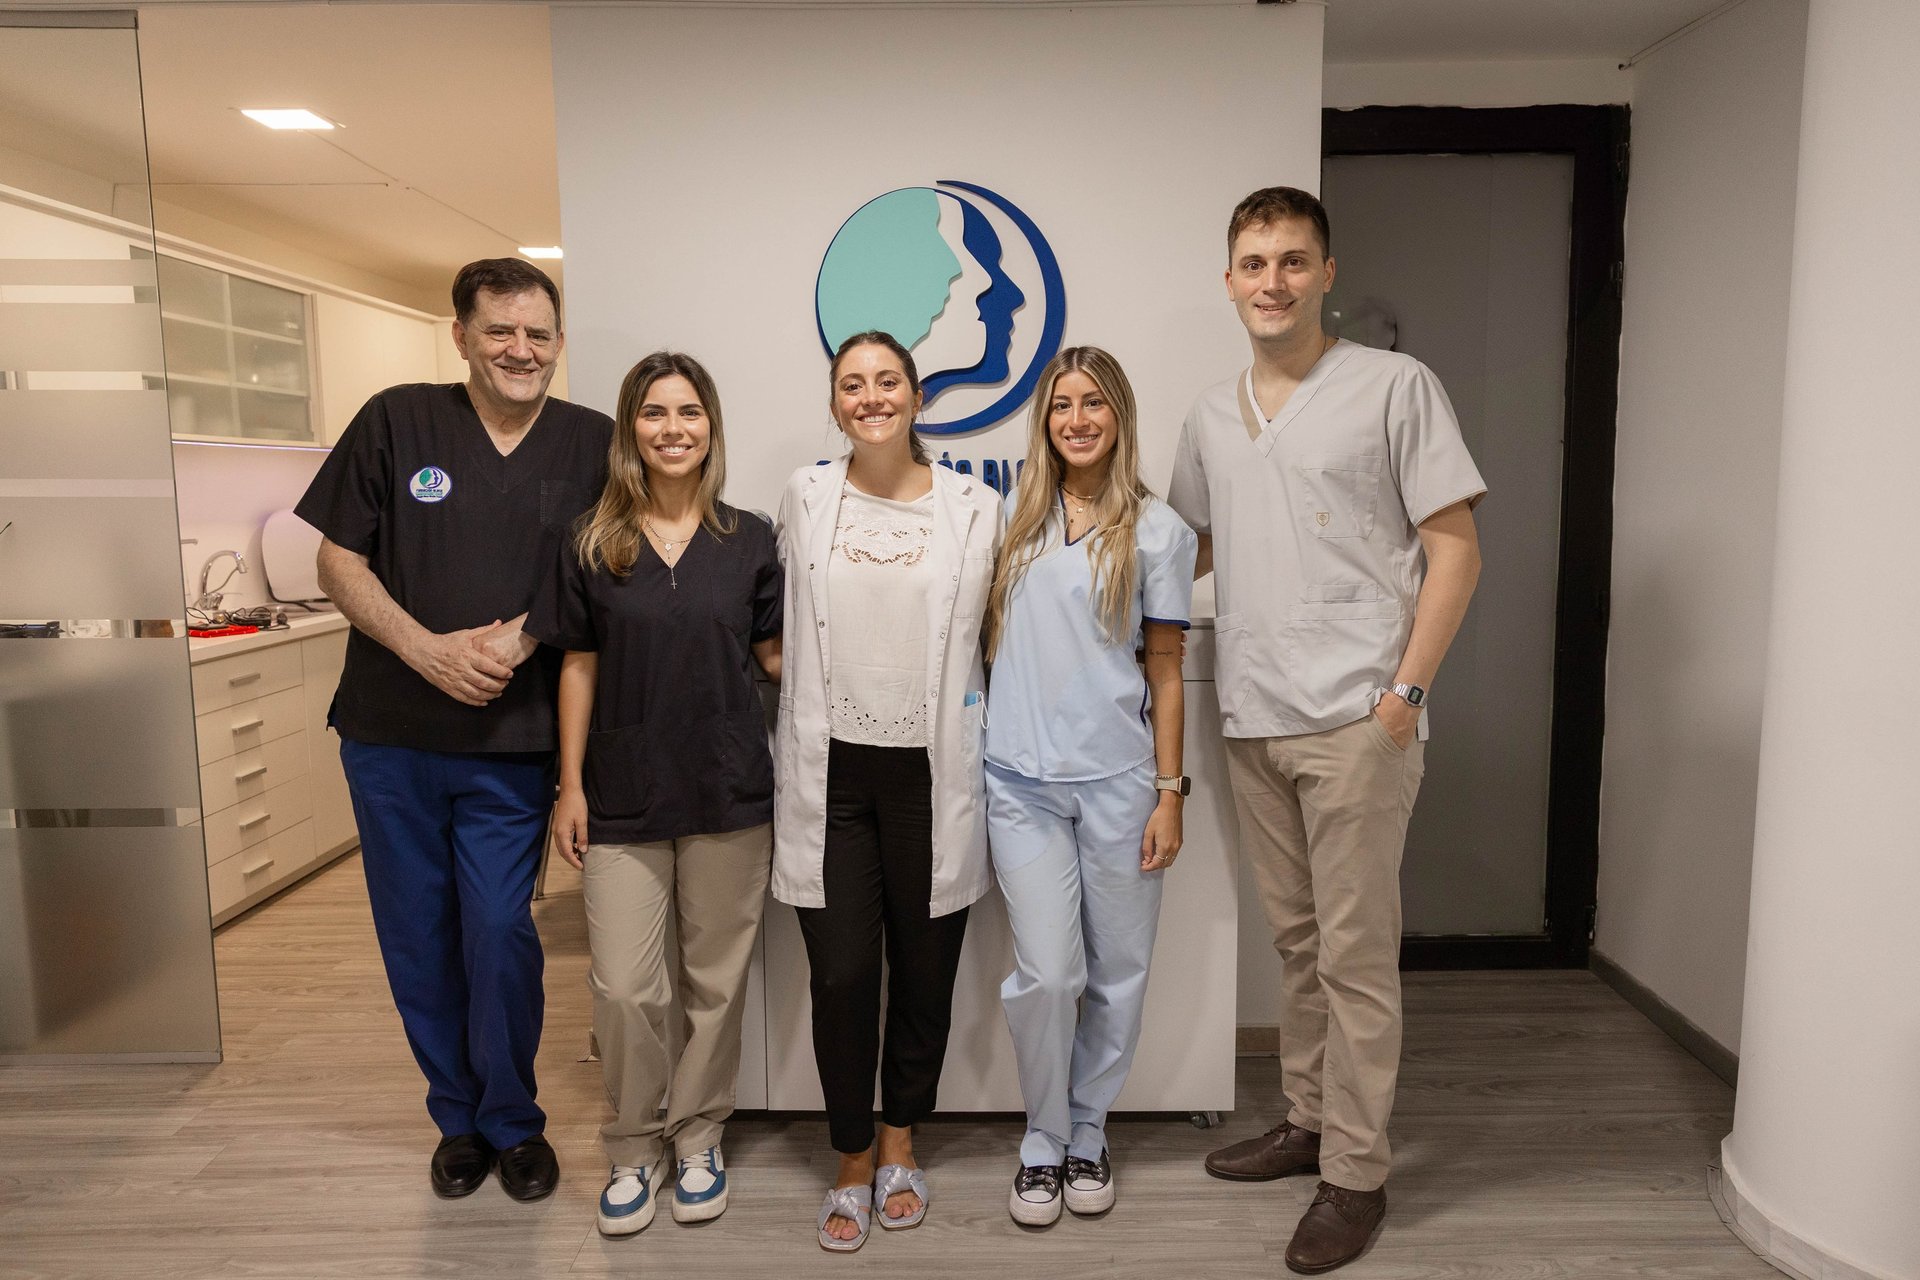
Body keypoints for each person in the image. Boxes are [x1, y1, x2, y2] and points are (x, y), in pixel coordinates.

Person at [1168, 187, 1485, 1274]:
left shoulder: (1395, 389)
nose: (1272, 281)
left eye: (1292, 261)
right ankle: (1306, 1119)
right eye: (1253, 262)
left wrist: (1403, 697)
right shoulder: (1211, 415)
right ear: (1228, 281)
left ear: (1326, 273)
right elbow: (1191, 550)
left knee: (1355, 956)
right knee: (1298, 942)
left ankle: (1356, 1171)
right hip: (1252, 713)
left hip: (1359, 716)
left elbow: (1456, 549)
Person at [295, 258, 612, 1202]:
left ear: (558, 342)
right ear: (462, 336)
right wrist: (423, 647)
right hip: (390, 737)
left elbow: (600, 572)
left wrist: (516, 644)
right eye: (501, 331)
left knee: (498, 932)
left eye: (538, 334)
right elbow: (336, 556)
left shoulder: (590, 441)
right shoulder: (398, 419)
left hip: (511, 748)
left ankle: (514, 1117)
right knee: (417, 935)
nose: (521, 350)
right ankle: (458, 1117)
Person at [525, 352, 782, 1235]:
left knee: (715, 982)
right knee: (629, 989)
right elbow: (578, 663)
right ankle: (635, 1146)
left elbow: (780, 657)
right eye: (654, 413)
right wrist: (570, 786)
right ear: (630, 428)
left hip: (730, 788)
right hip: (623, 792)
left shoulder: (749, 538)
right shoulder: (591, 539)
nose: (673, 429)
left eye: (689, 412)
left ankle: (700, 1135)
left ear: (712, 425)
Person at [771, 330, 1001, 1252]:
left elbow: (998, 629)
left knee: (926, 968)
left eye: (889, 381)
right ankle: (852, 1152)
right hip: (832, 774)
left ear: (916, 395)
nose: (872, 397)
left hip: (930, 771)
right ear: (835, 403)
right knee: (841, 974)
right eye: (853, 385)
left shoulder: (974, 506)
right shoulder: (804, 493)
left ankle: (902, 1139)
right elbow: (770, 612)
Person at [982, 347, 1197, 1226]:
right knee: (1049, 974)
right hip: (1018, 783)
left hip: (1118, 783)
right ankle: (1040, 1137)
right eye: (1062, 403)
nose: (1077, 418)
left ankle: (1086, 1132)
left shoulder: (1160, 532)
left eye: (1094, 403)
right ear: (1045, 419)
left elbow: (1169, 668)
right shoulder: (1011, 519)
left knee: (1119, 974)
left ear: (1120, 416)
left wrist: (1170, 792)